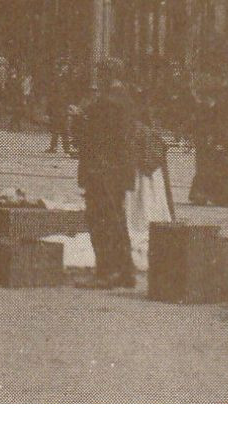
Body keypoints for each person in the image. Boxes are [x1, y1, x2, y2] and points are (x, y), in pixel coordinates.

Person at [74, 73, 138, 288]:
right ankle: (124, 271)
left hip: (101, 172)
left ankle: (106, 272)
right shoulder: (126, 101)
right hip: (117, 172)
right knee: (117, 220)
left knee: (101, 220)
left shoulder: (106, 104)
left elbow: (94, 137)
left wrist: (79, 117)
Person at [47, 59, 75, 154]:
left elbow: (70, 93)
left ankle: (65, 147)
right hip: (57, 105)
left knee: (63, 127)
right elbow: (53, 92)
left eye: (66, 66)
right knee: (56, 126)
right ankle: (54, 147)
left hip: (63, 105)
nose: (64, 68)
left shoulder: (68, 79)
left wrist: (69, 104)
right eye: (63, 66)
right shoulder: (58, 78)